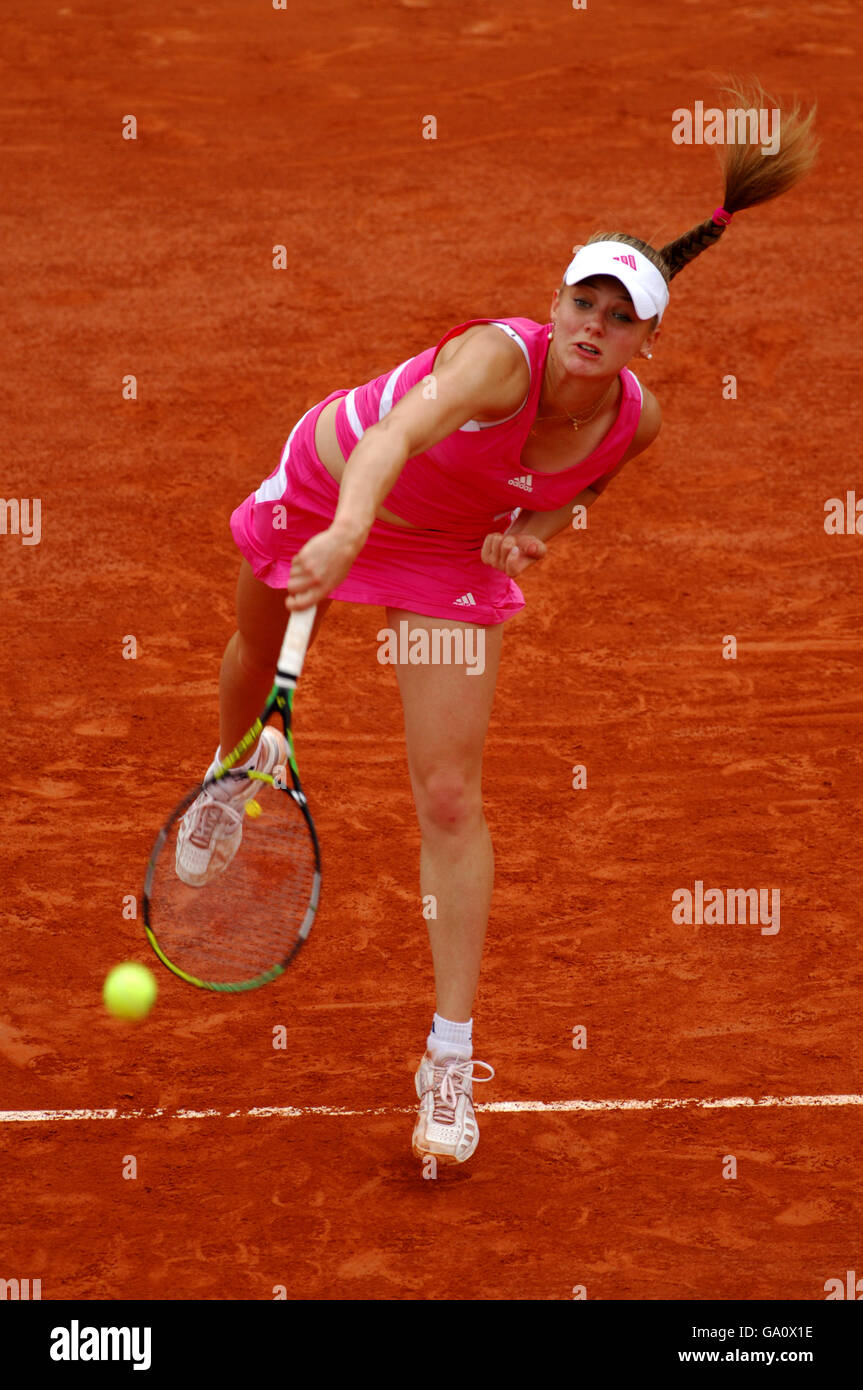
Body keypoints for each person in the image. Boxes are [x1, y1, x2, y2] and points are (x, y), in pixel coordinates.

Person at [179, 82, 816, 1165]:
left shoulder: (634, 419)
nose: (593, 329)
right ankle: (231, 769)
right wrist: (339, 533)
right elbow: (395, 437)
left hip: (444, 550)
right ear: (554, 301)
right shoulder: (496, 359)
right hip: (333, 488)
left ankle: (446, 1053)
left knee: (446, 791)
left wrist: (537, 531)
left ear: (646, 340)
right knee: (256, 655)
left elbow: (583, 488)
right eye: (582, 304)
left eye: (619, 319)